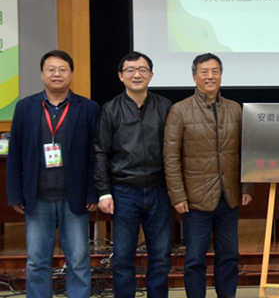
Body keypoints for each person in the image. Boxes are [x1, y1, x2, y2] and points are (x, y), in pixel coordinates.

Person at [6, 50, 99, 298]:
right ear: (42, 74)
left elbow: (95, 154)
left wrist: (93, 192)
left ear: (71, 74)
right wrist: (16, 194)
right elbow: (15, 153)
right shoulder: (25, 107)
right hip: (37, 198)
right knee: (37, 261)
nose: (57, 74)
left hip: (75, 198)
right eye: (51, 69)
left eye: (62, 69)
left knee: (78, 260)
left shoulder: (88, 108)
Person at [163, 53, 253, 298]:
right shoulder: (179, 110)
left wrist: (246, 187)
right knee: (195, 259)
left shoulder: (234, 109)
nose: (210, 76)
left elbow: (245, 152)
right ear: (195, 77)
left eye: (215, 71)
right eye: (204, 72)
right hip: (195, 198)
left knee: (229, 256)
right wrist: (177, 195)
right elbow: (170, 157)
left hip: (228, 195)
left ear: (221, 75)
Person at [93, 51, 173, 298]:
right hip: (124, 192)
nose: (136, 75)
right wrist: (104, 192)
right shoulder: (110, 109)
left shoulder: (165, 107)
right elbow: (100, 153)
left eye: (142, 70)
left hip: (160, 191)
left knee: (161, 256)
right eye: (130, 70)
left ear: (151, 75)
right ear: (121, 76)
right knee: (123, 258)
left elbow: (175, 150)